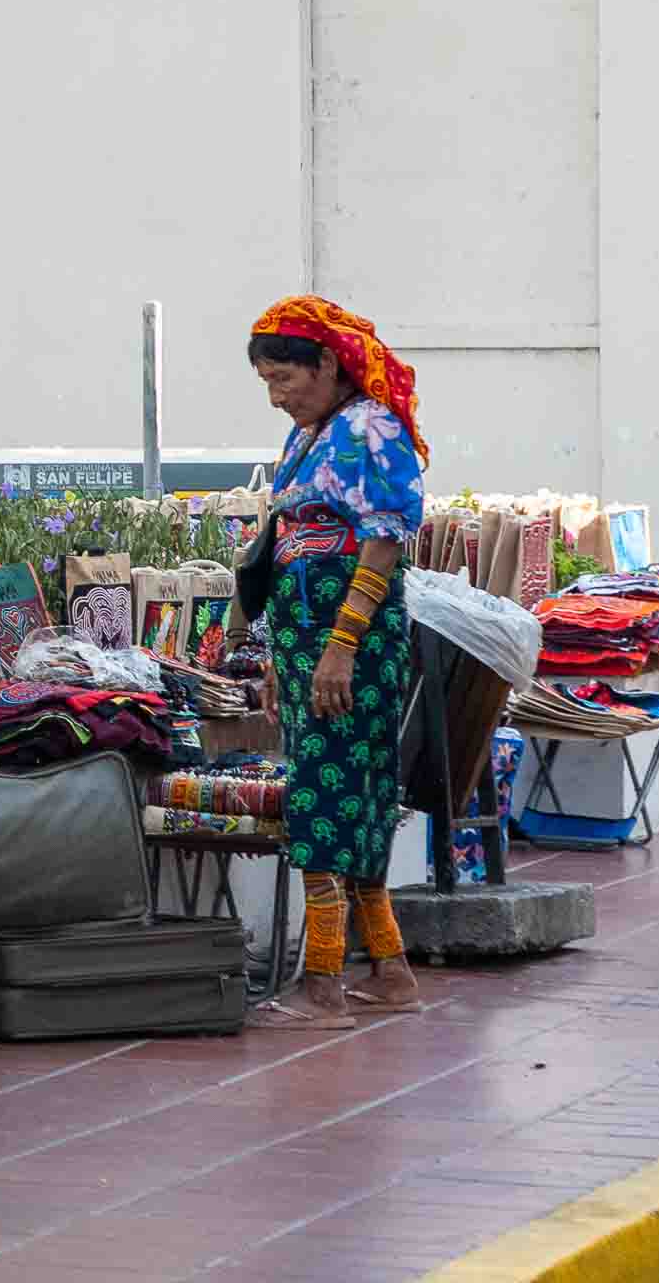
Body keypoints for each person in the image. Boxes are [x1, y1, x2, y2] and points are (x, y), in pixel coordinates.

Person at [243, 296, 427, 1031]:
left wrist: (341, 646)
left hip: (347, 639)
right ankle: (389, 970)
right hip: (305, 639)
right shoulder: (313, 435)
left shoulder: (371, 430)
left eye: (286, 377)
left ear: (329, 364)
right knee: (348, 791)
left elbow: (382, 541)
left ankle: (322, 983)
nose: (278, 395)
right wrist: (276, 661)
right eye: (267, 383)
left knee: (326, 793)